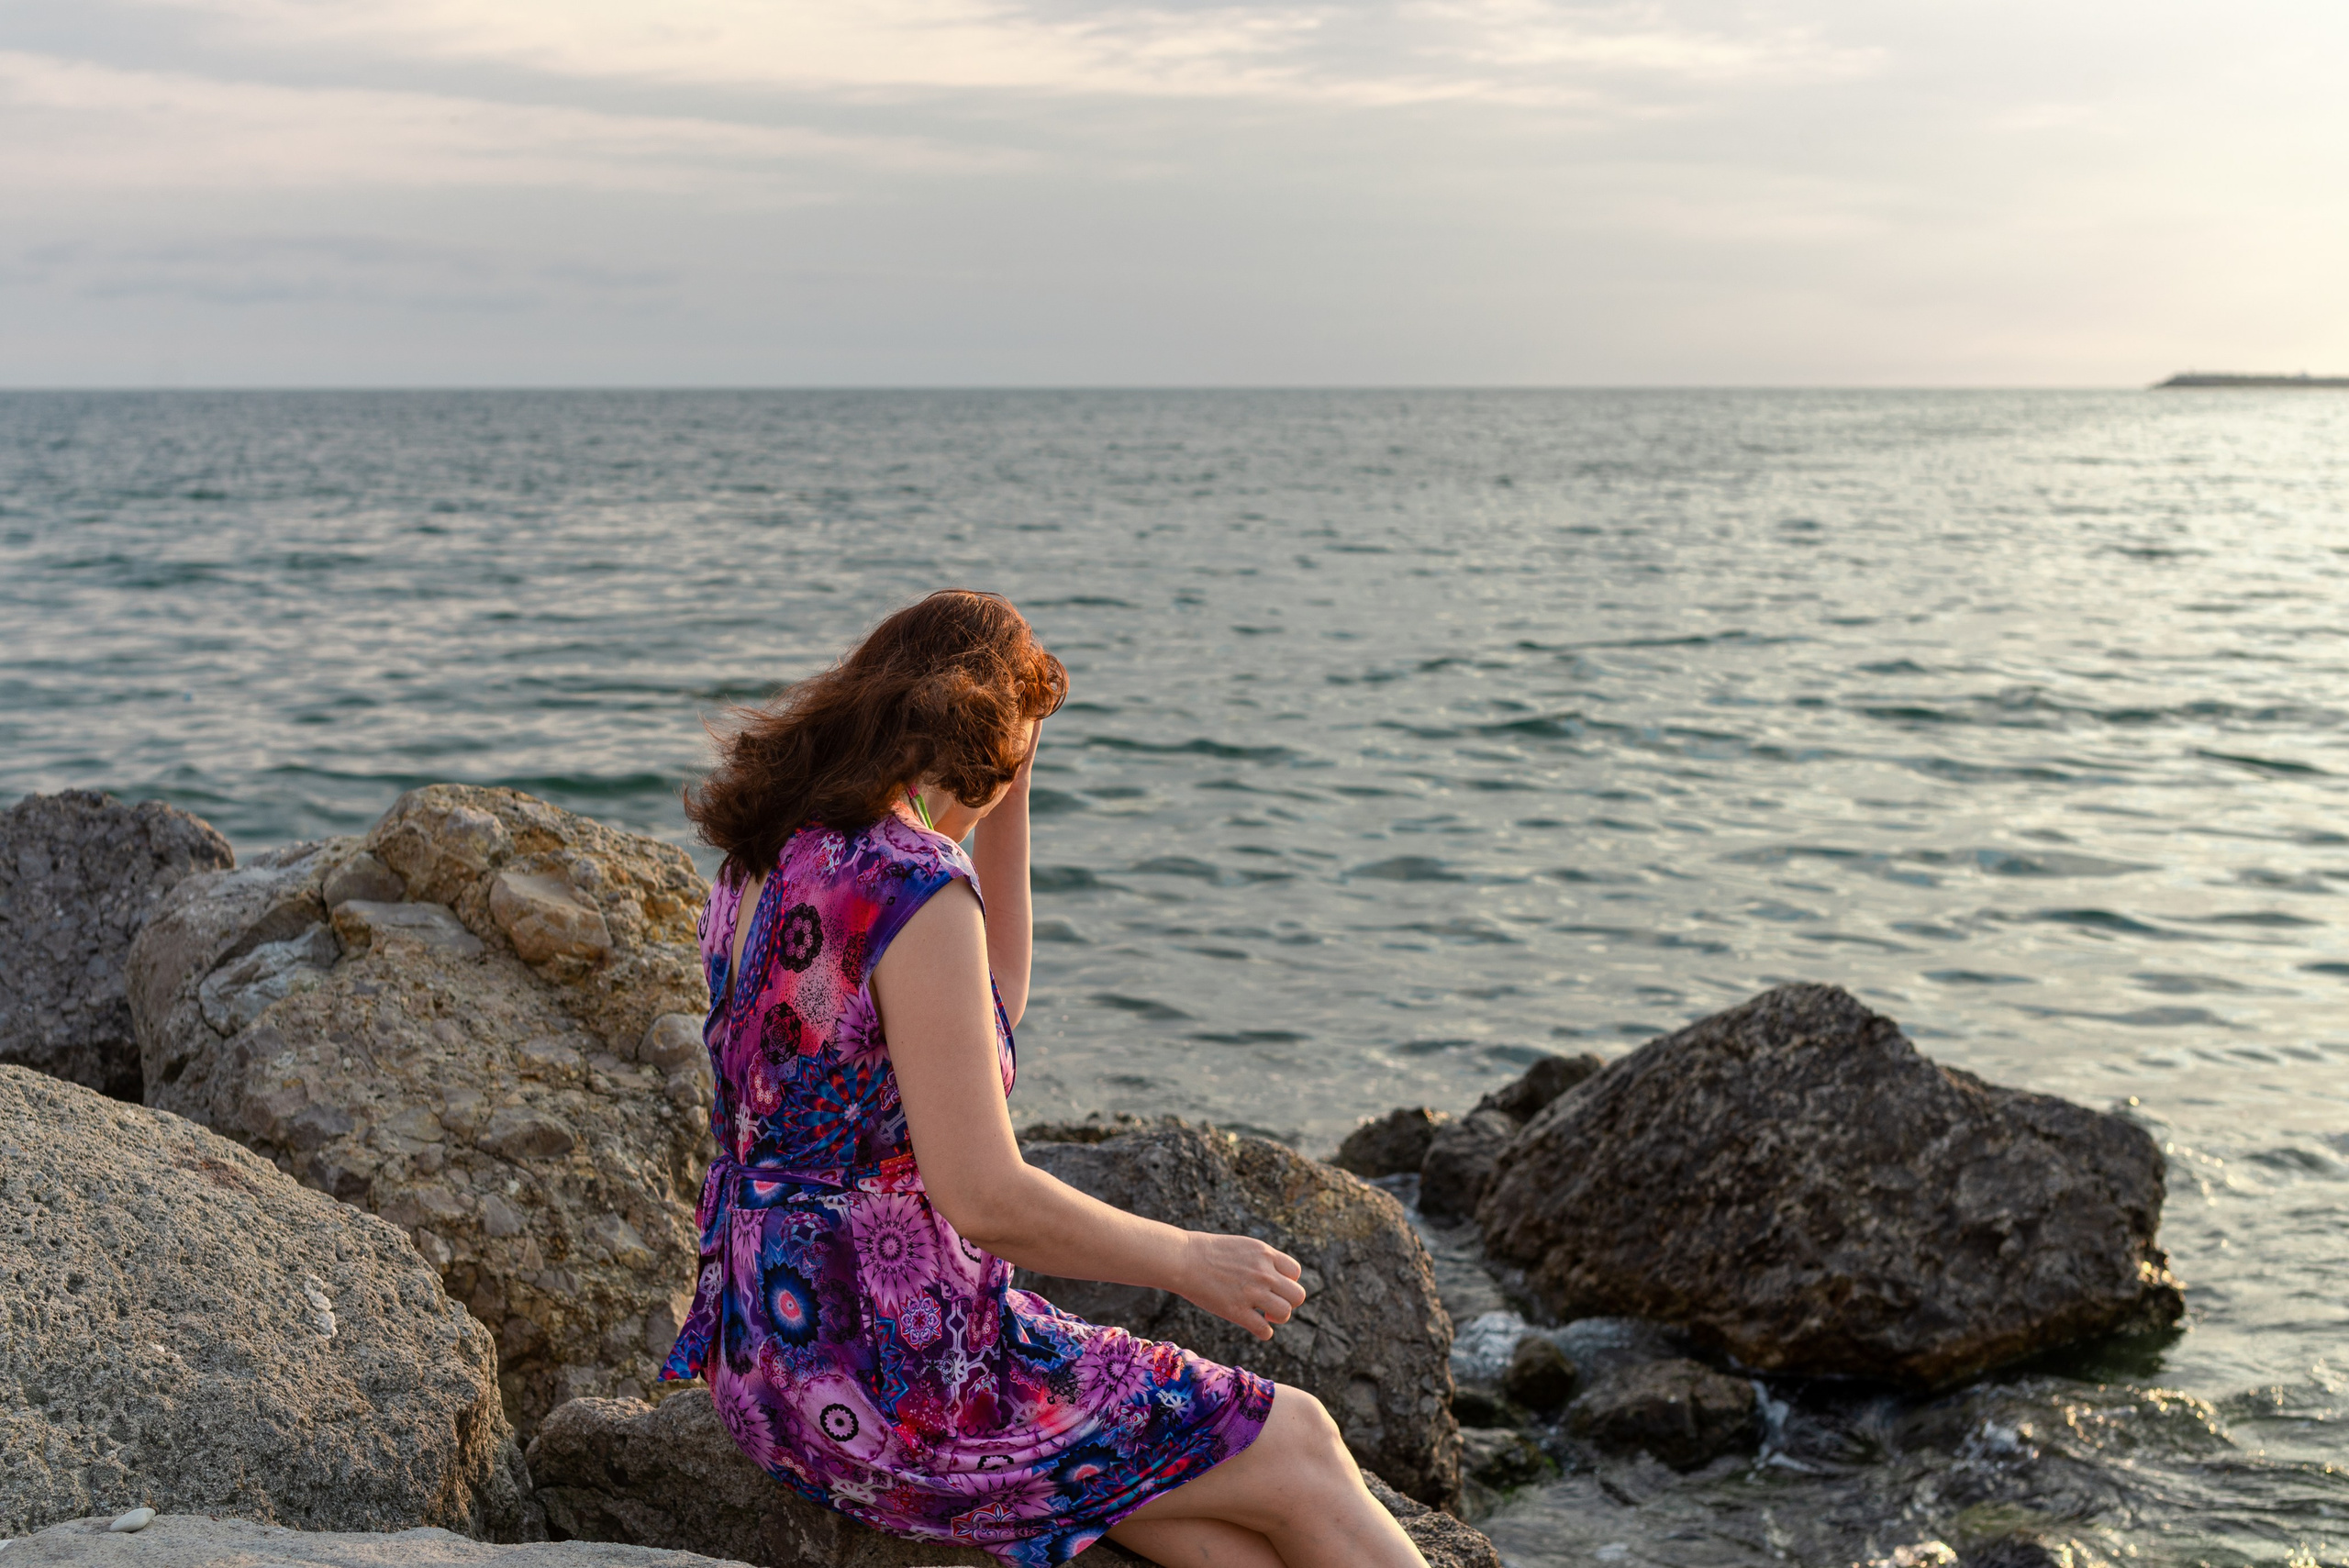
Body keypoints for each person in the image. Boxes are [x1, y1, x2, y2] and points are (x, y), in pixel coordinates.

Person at [667, 589, 1429, 1568]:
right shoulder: (913, 884)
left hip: (772, 1351)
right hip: (901, 1375)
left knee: (1230, 1537)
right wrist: (1186, 1260)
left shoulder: (771, 858)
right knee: (1302, 1438)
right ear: (979, 733)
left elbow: (986, 1010)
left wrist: (1010, 790)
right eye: (1018, 746)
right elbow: (985, 1197)